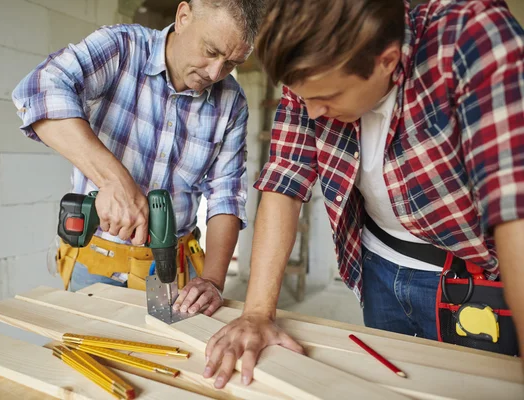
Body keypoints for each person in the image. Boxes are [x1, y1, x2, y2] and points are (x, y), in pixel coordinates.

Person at [203, 0, 524, 389]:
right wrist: (256, 313)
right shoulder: (311, 65)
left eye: (328, 97)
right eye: (305, 98)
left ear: (387, 60)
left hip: (474, 275)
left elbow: (512, 206)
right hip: (376, 266)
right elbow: (285, 178)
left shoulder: (470, 36)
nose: (314, 113)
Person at [12, 0, 266, 316]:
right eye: (211, 51)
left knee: (162, 358)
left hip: (169, 269)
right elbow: (37, 89)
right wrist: (114, 180)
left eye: (231, 63)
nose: (216, 72)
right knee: (88, 354)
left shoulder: (232, 103)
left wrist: (213, 279)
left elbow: (226, 196)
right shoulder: (122, 48)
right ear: (184, 16)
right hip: (95, 261)